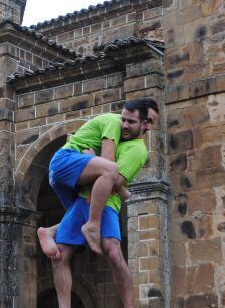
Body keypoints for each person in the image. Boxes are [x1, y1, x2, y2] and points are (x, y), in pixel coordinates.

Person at [37, 98, 158, 256]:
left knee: (84, 209)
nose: (148, 126)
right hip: (66, 164)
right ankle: (92, 224)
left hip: (68, 176)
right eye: (147, 120)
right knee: (109, 172)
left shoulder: (126, 137)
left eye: (151, 123)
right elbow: (108, 165)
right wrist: (121, 189)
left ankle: (49, 231)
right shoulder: (115, 123)